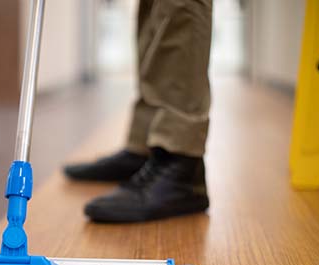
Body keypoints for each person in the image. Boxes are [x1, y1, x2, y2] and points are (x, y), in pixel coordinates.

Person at [64, 0, 213, 223]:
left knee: (181, 5)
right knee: (152, 8)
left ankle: (180, 163)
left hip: (183, 163)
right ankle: (144, 148)